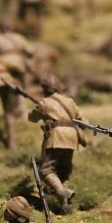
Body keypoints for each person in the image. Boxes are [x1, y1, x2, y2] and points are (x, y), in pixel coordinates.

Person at [28, 76, 86, 212]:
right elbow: (82, 120)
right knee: (64, 171)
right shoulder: (69, 101)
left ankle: (62, 193)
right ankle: (65, 205)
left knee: (45, 170)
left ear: (44, 88)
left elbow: (32, 118)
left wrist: (40, 107)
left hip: (57, 137)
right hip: (72, 137)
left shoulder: (45, 102)